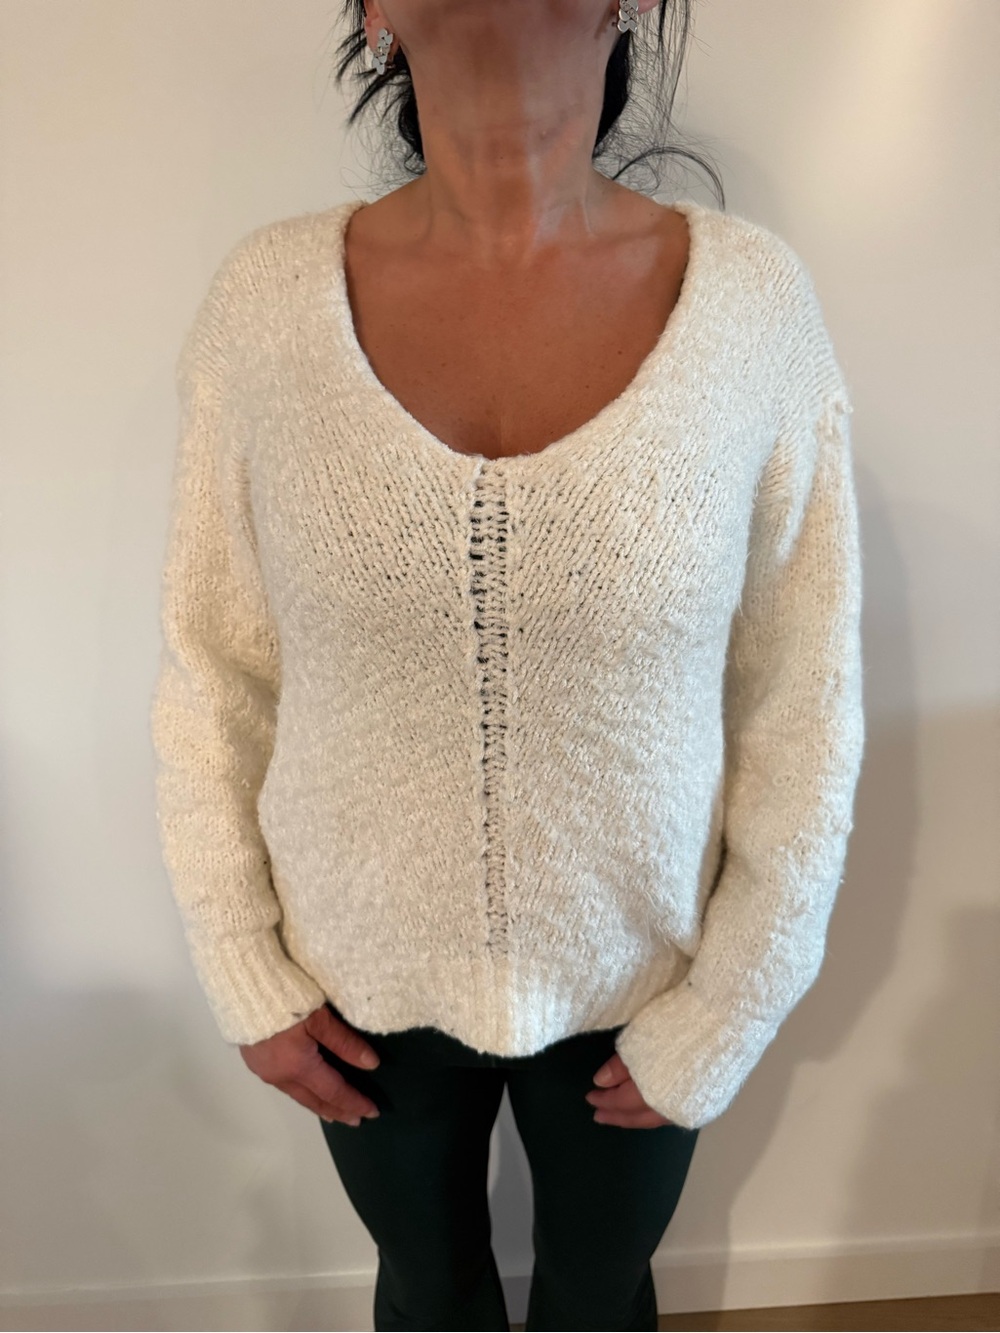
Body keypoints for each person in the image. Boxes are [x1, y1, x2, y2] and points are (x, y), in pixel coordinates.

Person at [149, 2, 865, 1330]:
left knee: (599, 1298)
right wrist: (241, 958)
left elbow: (803, 696)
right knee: (428, 1294)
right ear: (375, 14)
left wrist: (736, 998)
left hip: (648, 971)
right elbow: (213, 668)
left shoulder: (753, 306)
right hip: (354, 975)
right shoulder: (265, 307)